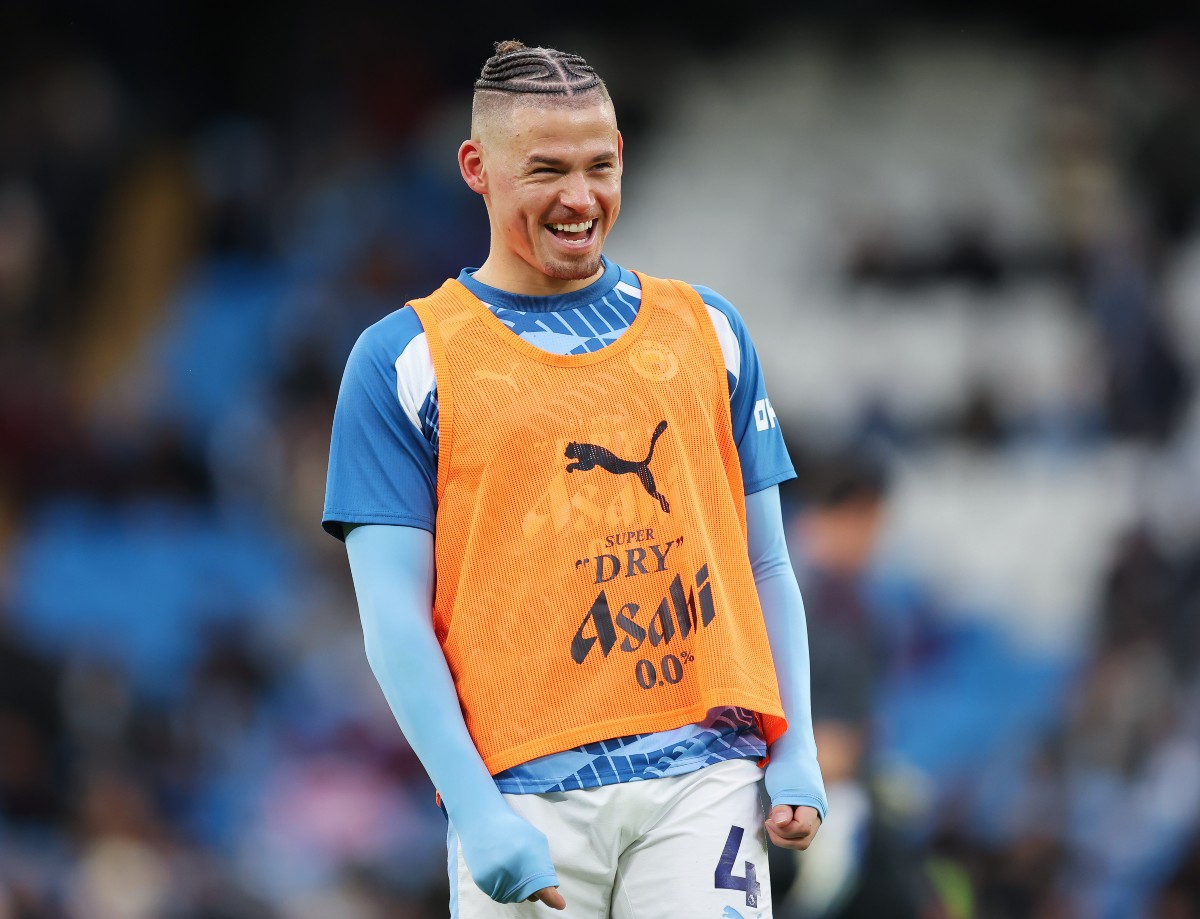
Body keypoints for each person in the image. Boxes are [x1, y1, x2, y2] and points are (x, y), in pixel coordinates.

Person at [323, 40, 826, 917]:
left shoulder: (708, 330)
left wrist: (797, 745)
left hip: (705, 774)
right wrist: (475, 806)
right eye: (547, 170)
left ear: (622, 155)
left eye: (599, 166)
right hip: (526, 793)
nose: (580, 197)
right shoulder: (403, 360)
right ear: (476, 169)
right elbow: (393, 618)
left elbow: (767, 563)